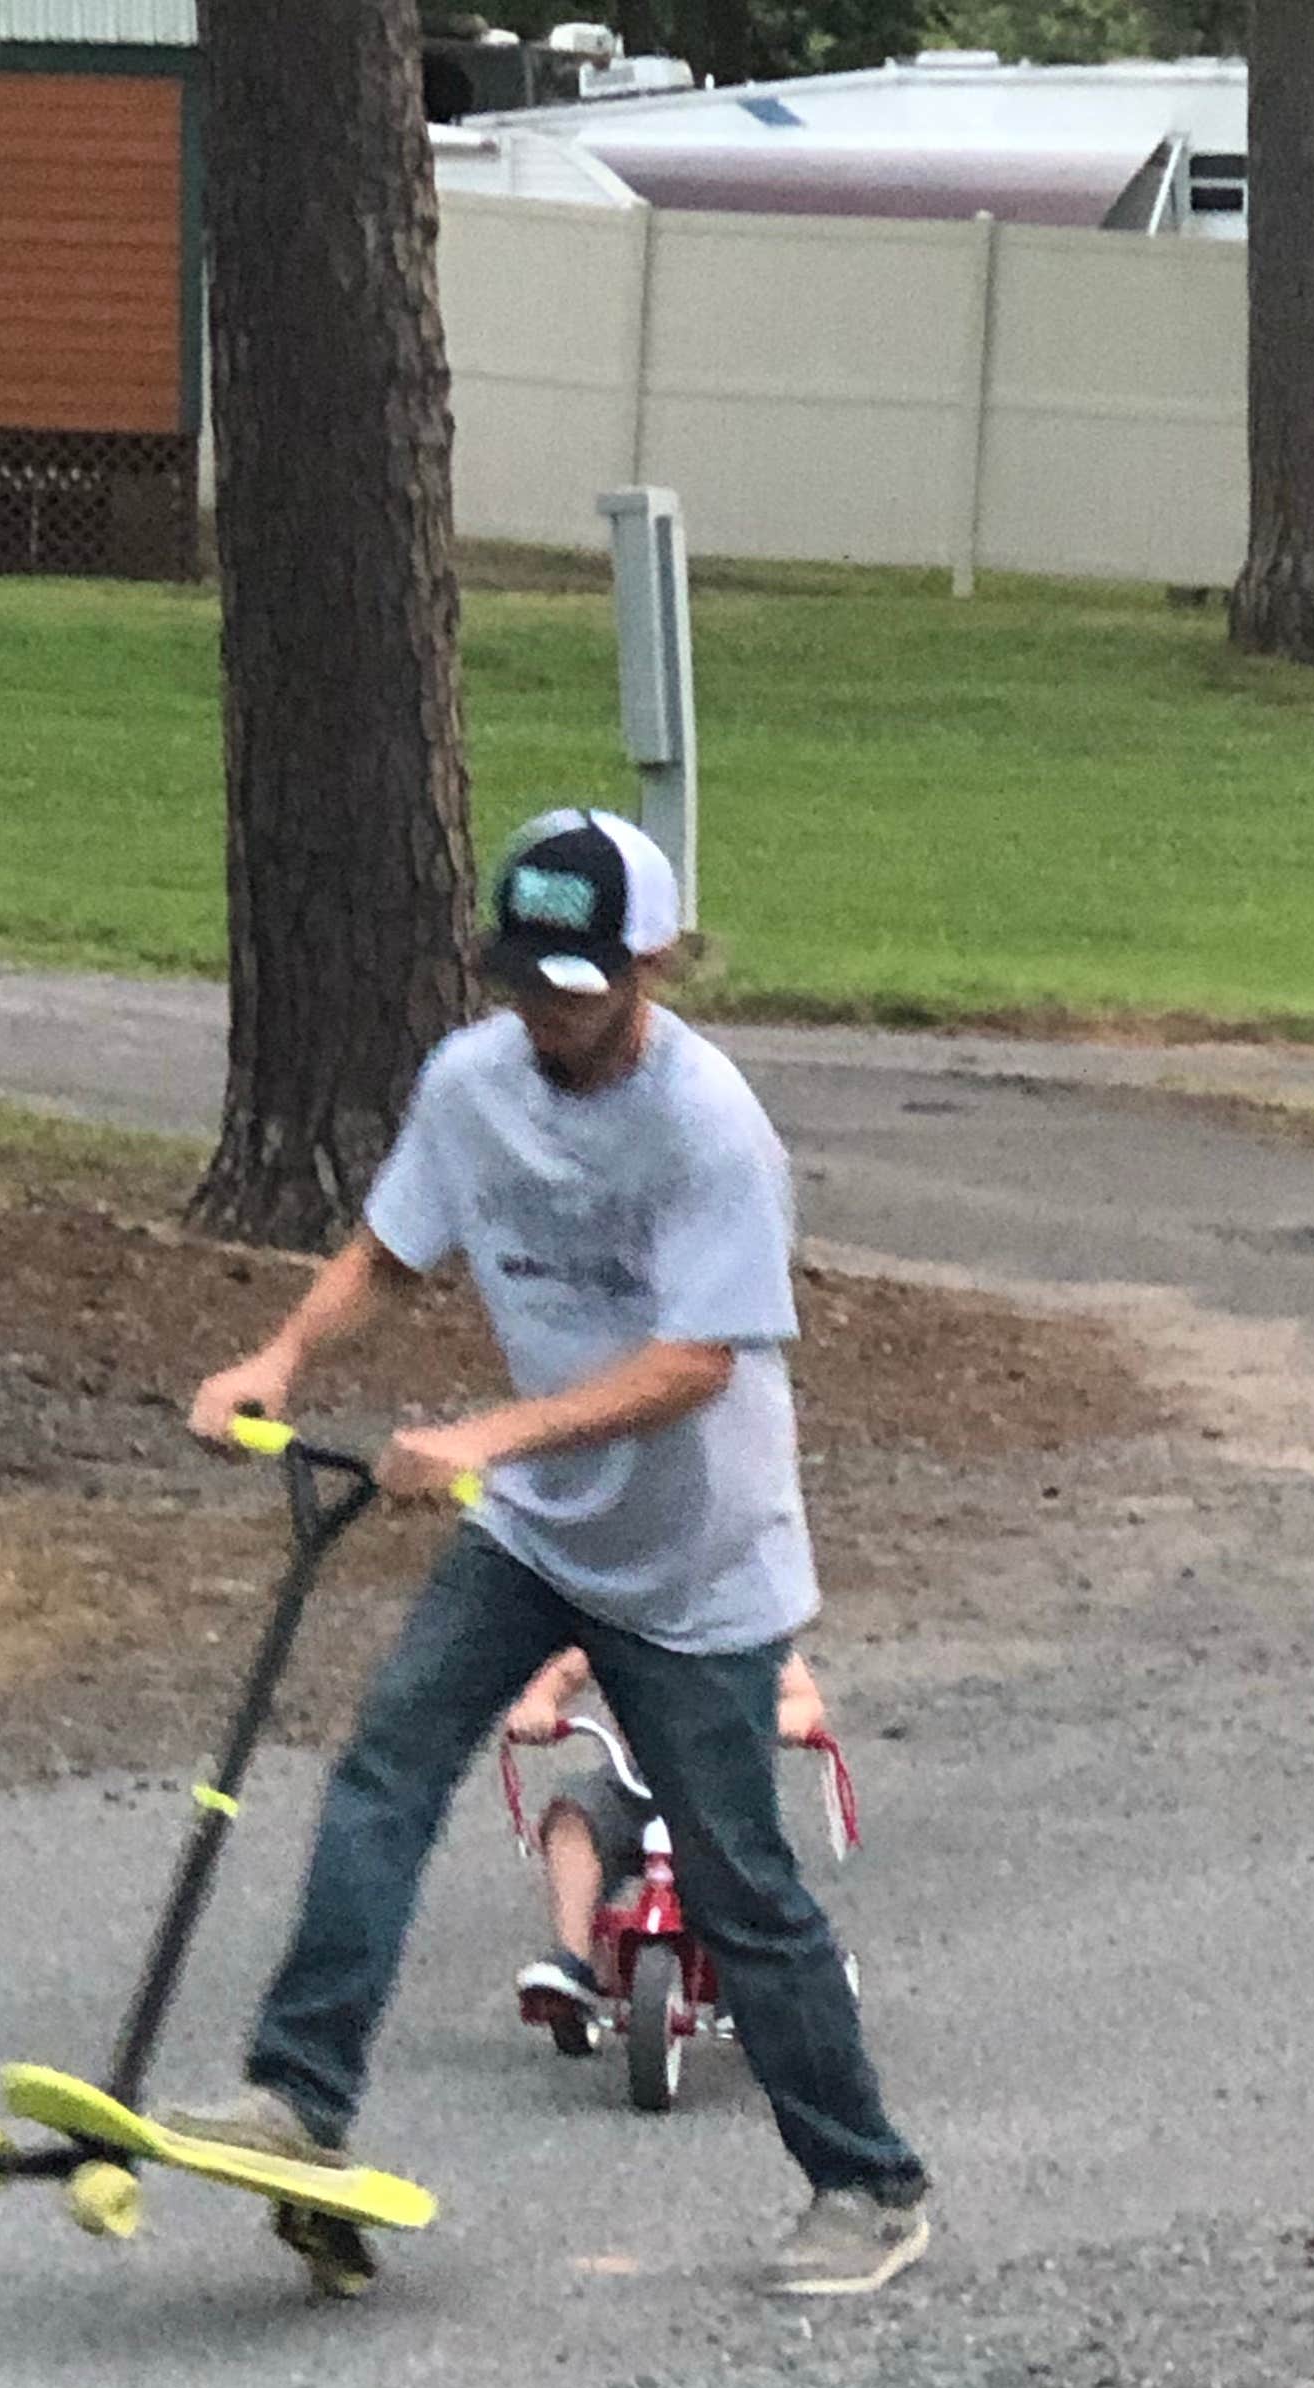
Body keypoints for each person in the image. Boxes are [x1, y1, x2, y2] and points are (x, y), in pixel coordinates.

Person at [167, 808, 932, 2300]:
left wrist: (486, 1437)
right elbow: (390, 1251)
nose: (550, 1009)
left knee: (734, 1886)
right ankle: (299, 2101)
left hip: (701, 1568)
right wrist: (280, 1361)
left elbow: (697, 1363)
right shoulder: (471, 1084)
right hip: (536, 1538)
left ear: (649, 961)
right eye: (527, 978)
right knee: (388, 1764)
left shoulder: (710, 1126)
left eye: (580, 982)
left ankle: (869, 2181)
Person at [507, 1639, 831, 2032]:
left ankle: (749, 1976)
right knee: (573, 1813)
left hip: (719, 1785)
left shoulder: (748, 1630)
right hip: (638, 1782)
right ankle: (573, 1959)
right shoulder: (630, 1622)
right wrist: (539, 1703)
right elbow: (567, 1670)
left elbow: (803, 1700)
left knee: (741, 1856)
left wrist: (774, 1721)